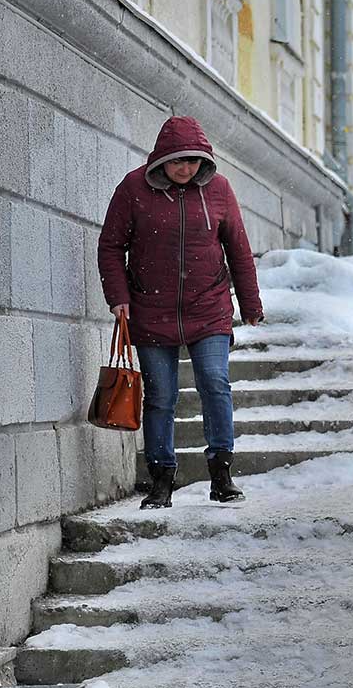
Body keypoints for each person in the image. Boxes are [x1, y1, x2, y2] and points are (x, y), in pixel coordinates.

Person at [97, 115, 264, 510]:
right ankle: (161, 480)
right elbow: (110, 246)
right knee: (161, 396)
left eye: (192, 161)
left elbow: (238, 249)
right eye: (177, 162)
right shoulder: (134, 189)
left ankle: (221, 473)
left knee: (214, 381)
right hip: (150, 307)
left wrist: (250, 303)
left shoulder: (219, 189)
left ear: (203, 160)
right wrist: (118, 296)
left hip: (208, 306)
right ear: (160, 161)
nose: (185, 168)